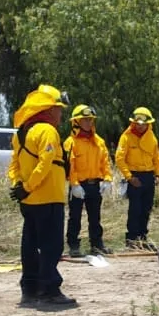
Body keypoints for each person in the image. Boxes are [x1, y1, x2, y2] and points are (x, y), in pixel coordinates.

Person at [9, 84, 76, 309]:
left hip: (29, 200)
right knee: (51, 245)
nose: (60, 114)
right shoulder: (47, 131)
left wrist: (19, 186)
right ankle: (49, 290)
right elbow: (45, 163)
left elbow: (14, 164)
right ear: (47, 110)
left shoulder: (21, 134)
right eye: (58, 109)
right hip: (48, 197)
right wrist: (28, 186)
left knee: (29, 245)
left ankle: (29, 289)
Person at [64, 105, 113, 258]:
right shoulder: (70, 142)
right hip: (78, 186)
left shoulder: (99, 141)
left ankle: (97, 245)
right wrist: (74, 184)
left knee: (95, 217)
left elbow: (105, 162)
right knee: (75, 217)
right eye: (85, 119)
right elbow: (69, 166)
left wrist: (107, 179)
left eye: (90, 119)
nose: (88, 122)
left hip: (95, 185)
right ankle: (73, 246)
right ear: (76, 121)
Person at [116, 107, 159, 250]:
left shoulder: (152, 138)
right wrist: (129, 177)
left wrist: (157, 175)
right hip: (134, 177)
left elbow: (156, 158)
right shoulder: (126, 137)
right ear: (133, 123)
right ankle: (132, 240)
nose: (140, 127)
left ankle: (143, 238)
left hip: (149, 176)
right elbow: (119, 159)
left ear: (148, 124)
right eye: (138, 123)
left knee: (146, 209)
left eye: (143, 124)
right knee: (135, 209)